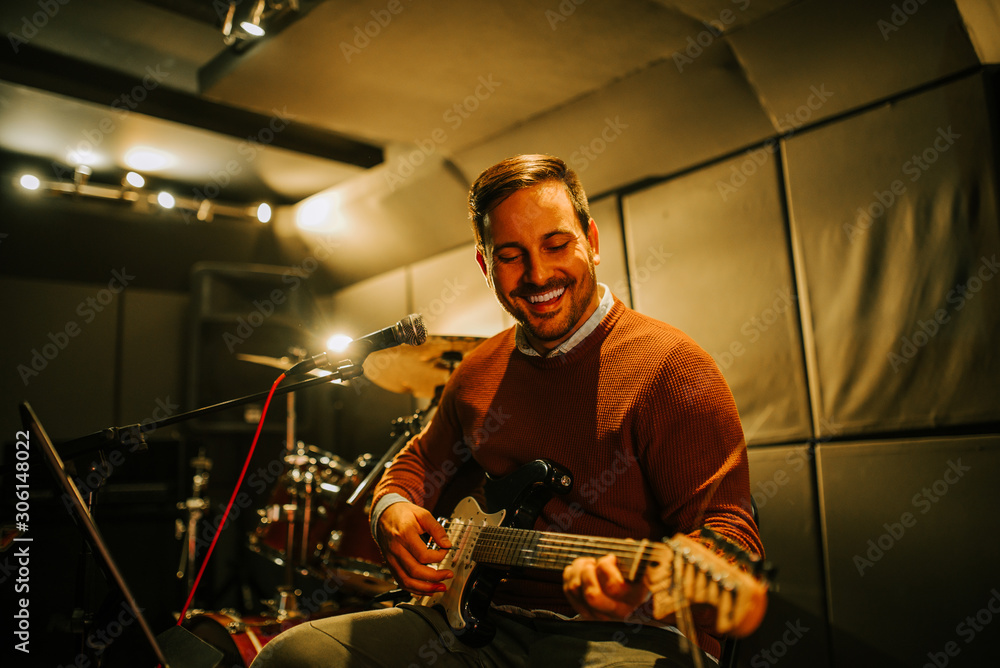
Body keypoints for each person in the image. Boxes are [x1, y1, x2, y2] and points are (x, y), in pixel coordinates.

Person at [251, 154, 763, 667]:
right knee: (291, 656)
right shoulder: (476, 371)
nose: (539, 274)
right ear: (484, 264)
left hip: (628, 635)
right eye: (511, 255)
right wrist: (391, 511)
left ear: (593, 241)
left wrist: (643, 587)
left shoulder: (672, 366)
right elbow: (418, 465)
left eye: (557, 245)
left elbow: (731, 534)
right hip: (479, 625)